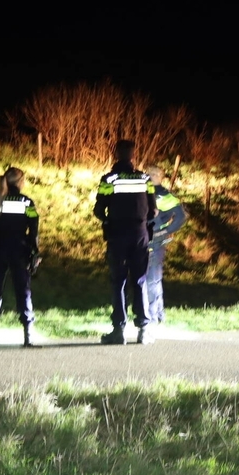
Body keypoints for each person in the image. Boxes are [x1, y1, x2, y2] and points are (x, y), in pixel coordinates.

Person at [93, 139, 157, 345]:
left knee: (118, 281)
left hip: (117, 234)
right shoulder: (144, 178)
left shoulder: (109, 179)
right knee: (139, 280)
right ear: (133, 155)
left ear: (116, 154)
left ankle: (118, 330)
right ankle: (143, 330)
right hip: (140, 234)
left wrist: (109, 220)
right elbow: (153, 209)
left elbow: (98, 210)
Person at [0, 167, 39, 348]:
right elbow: (34, 229)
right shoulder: (27, 202)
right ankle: (28, 336)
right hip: (19, 250)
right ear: (20, 181)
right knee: (23, 291)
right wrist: (34, 250)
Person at [144, 165, 187, 325]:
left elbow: (181, 216)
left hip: (151, 239)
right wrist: (168, 230)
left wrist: (166, 230)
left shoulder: (147, 194)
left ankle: (152, 317)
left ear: (155, 176)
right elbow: (181, 216)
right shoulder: (167, 196)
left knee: (150, 279)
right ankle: (159, 314)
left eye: (149, 174)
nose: (148, 176)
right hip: (158, 239)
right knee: (155, 278)